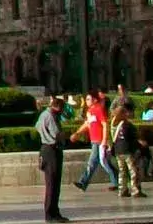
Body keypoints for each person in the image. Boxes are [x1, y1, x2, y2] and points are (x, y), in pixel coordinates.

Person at [71, 92, 114, 192]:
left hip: (99, 141)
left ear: (95, 100)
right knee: (105, 163)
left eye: (88, 99)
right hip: (94, 140)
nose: (86, 101)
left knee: (93, 163)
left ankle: (83, 182)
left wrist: (104, 140)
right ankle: (117, 181)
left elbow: (105, 125)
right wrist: (77, 133)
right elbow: (87, 124)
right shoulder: (90, 111)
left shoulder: (99, 109)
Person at [37, 95, 68, 223]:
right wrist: (67, 138)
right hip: (52, 150)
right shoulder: (52, 116)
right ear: (59, 107)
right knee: (53, 185)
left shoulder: (43, 114)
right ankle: (50, 214)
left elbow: (37, 127)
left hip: (45, 149)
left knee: (53, 184)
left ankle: (55, 212)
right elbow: (57, 133)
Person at [108, 106, 145, 198]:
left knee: (122, 171)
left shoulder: (113, 124)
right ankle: (135, 190)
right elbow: (133, 136)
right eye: (126, 112)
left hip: (118, 151)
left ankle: (122, 190)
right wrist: (140, 143)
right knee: (133, 171)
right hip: (128, 151)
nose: (127, 114)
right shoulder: (127, 124)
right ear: (123, 114)